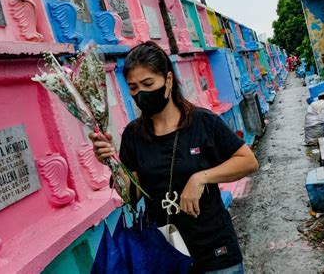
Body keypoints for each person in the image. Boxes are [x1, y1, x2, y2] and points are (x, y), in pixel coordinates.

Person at [89, 41, 259, 274]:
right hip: (164, 255)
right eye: (133, 88)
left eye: (148, 84)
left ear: (168, 81)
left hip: (216, 252)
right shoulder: (133, 135)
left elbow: (248, 160)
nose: (141, 94)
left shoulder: (202, 122)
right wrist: (112, 162)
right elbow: (131, 194)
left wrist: (201, 178)